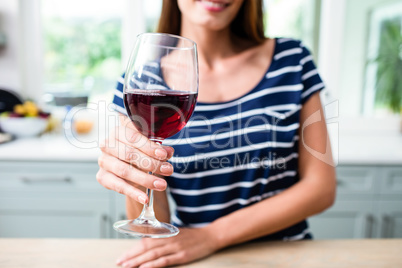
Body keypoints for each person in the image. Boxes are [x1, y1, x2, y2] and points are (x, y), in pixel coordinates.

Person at [97, 0, 336, 267]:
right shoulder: (139, 80)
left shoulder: (292, 60)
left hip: (288, 256)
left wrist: (211, 236)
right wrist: (133, 168)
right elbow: (156, 231)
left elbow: (321, 189)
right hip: (197, 261)